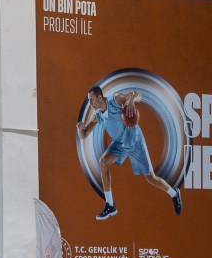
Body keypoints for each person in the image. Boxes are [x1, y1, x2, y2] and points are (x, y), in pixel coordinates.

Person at [77, 85, 182, 220]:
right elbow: (84, 134)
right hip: (119, 144)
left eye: (92, 99)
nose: (90, 102)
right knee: (103, 162)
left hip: (134, 140)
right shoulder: (97, 116)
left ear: (100, 97)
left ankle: (174, 193)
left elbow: (138, 94)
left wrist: (131, 100)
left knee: (151, 178)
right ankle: (110, 205)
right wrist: (80, 129)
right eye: (89, 100)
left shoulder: (115, 100)